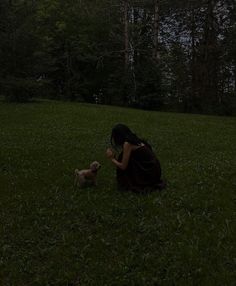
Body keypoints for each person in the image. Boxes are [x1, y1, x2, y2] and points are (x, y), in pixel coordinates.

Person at [106, 123, 165, 193]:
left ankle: (134, 181)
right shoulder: (134, 139)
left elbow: (123, 166)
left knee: (124, 160)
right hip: (155, 170)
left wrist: (112, 158)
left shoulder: (127, 144)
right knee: (125, 157)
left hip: (150, 172)